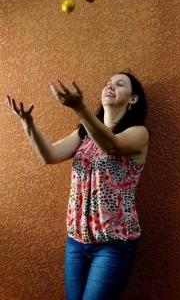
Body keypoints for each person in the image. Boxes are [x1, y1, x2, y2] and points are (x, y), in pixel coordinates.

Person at [5, 71, 149, 300]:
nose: (110, 86)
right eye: (107, 83)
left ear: (133, 99)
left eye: (119, 84)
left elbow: (111, 146)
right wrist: (28, 124)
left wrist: (80, 108)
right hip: (76, 242)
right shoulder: (84, 133)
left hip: (113, 244)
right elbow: (50, 155)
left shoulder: (138, 133)